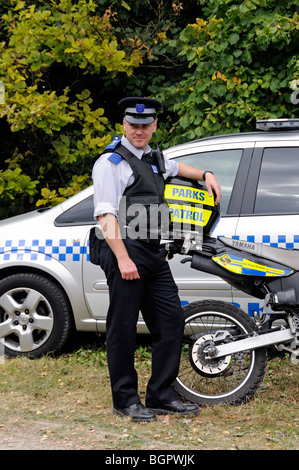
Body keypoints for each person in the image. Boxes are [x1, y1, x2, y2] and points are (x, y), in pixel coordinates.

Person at [92, 97, 221, 422]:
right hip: (124, 251)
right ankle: (125, 400)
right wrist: (122, 259)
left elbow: (180, 169)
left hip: (152, 252)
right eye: (133, 125)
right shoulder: (111, 162)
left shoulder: (154, 158)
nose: (139, 130)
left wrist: (206, 173)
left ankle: (161, 395)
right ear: (124, 125)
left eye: (145, 125)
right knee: (122, 328)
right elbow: (105, 215)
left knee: (171, 322)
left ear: (153, 126)